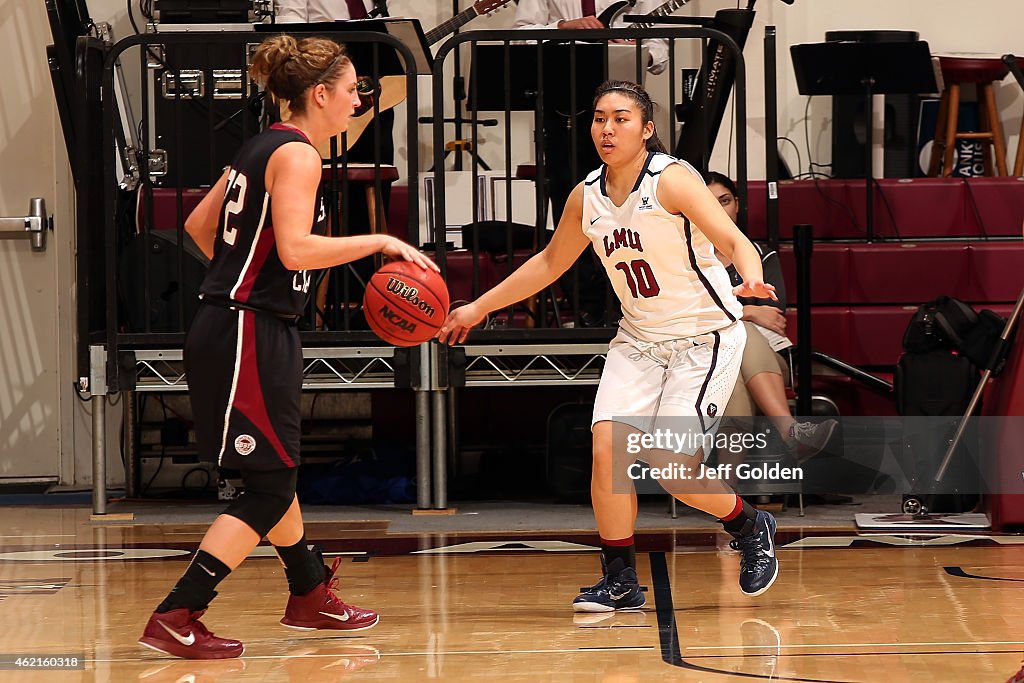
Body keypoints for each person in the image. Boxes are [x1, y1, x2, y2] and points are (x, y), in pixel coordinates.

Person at [139, 34, 437, 659]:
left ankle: (308, 592)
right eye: (354, 89)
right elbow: (297, 249)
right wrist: (378, 241)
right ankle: (178, 611)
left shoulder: (260, 145)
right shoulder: (298, 156)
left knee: (277, 473)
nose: (361, 99)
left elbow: (198, 226)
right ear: (320, 94)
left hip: (242, 321)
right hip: (247, 327)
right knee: (269, 487)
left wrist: (238, 276)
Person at [438, 80, 780, 611]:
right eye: (600, 118)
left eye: (621, 118)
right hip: (639, 339)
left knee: (670, 469)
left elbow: (733, 239)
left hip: (702, 338)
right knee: (606, 451)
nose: (607, 128)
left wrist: (752, 277)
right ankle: (620, 578)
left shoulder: (673, 180)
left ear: (647, 130)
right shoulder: (587, 194)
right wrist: (477, 308)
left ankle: (749, 523)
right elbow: (550, 263)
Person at [515, 0, 672, 326]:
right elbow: (520, 35)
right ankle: (587, 306)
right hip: (563, 105)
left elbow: (659, 50)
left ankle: (625, 302)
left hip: (623, 106)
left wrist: (637, 49)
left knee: (627, 202)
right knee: (571, 201)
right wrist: (562, 28)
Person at [706, 171, 837, 462]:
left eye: (725, 201)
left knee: (741, 337)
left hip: (767, 358)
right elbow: (691, 311)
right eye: (709, 203)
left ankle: (728, 497)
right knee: (738, 345)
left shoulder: (759, 255)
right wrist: (749, 311)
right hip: (707, 358)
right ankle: (791, 432)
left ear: (737, 204)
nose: (719, 209)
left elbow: (776, 310)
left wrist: (731, 315)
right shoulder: (689, 257)